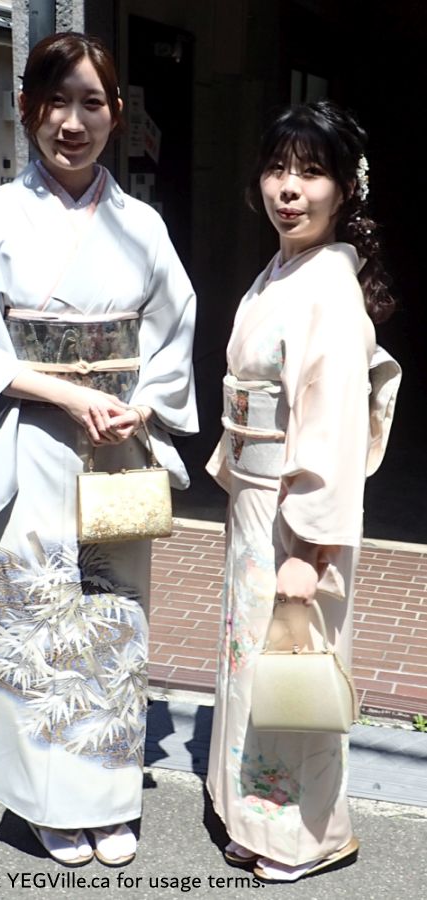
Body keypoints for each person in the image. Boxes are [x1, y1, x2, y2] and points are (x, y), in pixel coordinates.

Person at [0, 32, 197, 868]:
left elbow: (172, 328)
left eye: (91, 103)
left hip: (114, 448)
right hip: (28, 440)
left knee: (112, 621)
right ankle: (47, 800)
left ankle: (108, 796)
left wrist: (143, 403)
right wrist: (65, 391)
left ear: (117, 115)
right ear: (26, 110)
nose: (71, 122)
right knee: (38, 620)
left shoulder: (141, 225)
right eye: (55, 101)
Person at [206, 100, 401, 883]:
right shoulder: (282, 269)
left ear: (343, 191)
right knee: (255, 667)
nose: (288, 189)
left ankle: (308, 837)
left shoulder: (326, 286)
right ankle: (253, 818)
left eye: (310, 173)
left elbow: (330, 429)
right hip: (256, 504)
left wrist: (312, 549)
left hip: (295, 515)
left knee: (292, 667)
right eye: (277, 169)